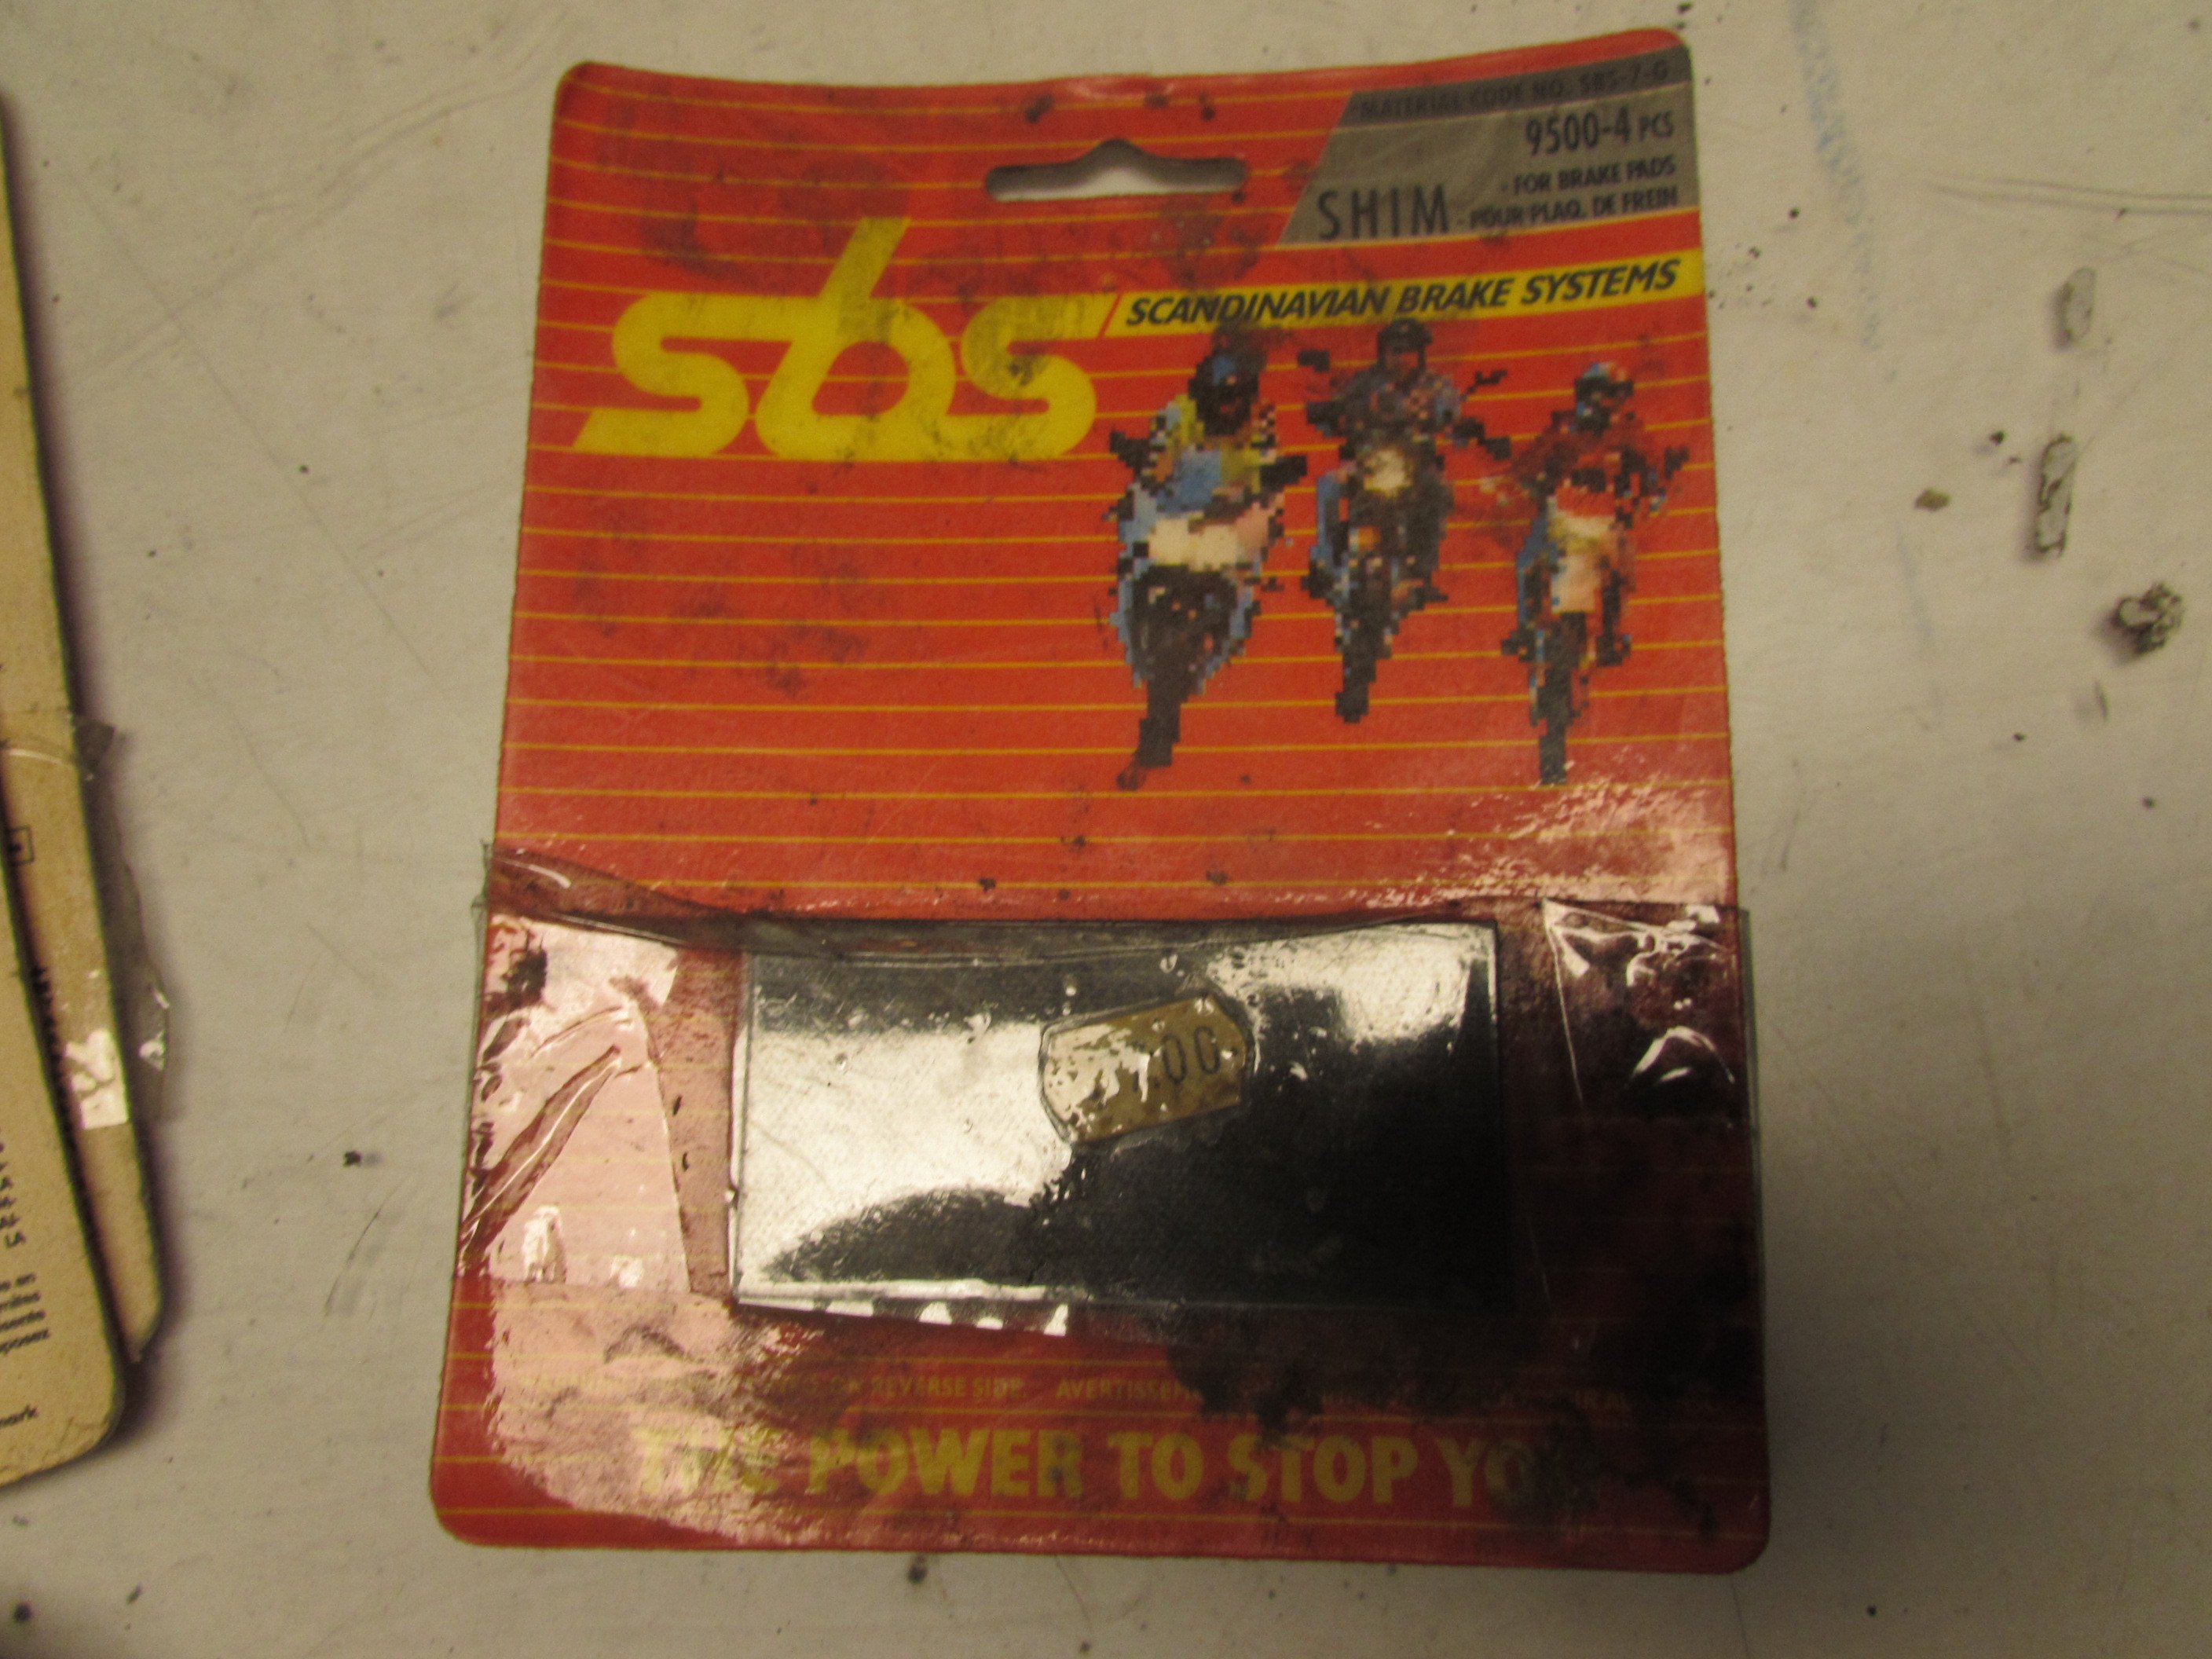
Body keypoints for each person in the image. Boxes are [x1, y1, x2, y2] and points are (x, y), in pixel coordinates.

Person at [1109, 335, 1304, 782]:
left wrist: (1261, 498)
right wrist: (1148, 469)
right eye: (1220, 395)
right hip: (1174, 523)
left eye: (1236, 396)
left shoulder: (1260, 424)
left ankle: (1230, 627)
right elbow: (1157, 463)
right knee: (1132, 569)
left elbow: (1267, 477)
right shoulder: (1180, 415)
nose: (1227, 406)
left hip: (1227, 529)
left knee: (1247, 574)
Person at [1304, 317, 1511, 608]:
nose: (1401, 358)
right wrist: (1328, 413)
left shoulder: (1436, 387)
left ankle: (1423, 572)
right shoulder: (1365, 383)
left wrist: (1468, 430)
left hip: (1415, 466)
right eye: (1395, 350)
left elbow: (1454, 416)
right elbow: (1339, 407)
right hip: (1369, 463)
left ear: (1420, 354)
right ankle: (1325, 564)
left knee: (1440, 490)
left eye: (1409, 351)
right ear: (1383, 353)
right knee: (1329, 485)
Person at [1500, 362, 1686, 669]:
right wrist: (1517, 482)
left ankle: (1610, 633)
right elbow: (1530, 462)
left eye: (1612, 395)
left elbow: (1653, 468)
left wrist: (1656, 492)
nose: (1605, 401)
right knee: (1528, 561)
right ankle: (1527, 627)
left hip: (1605, 519)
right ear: (1585, 394)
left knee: (1622, 570)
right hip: (1563, 517)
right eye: (1599, 393)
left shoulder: (1630, 431)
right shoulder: (1564, 428)